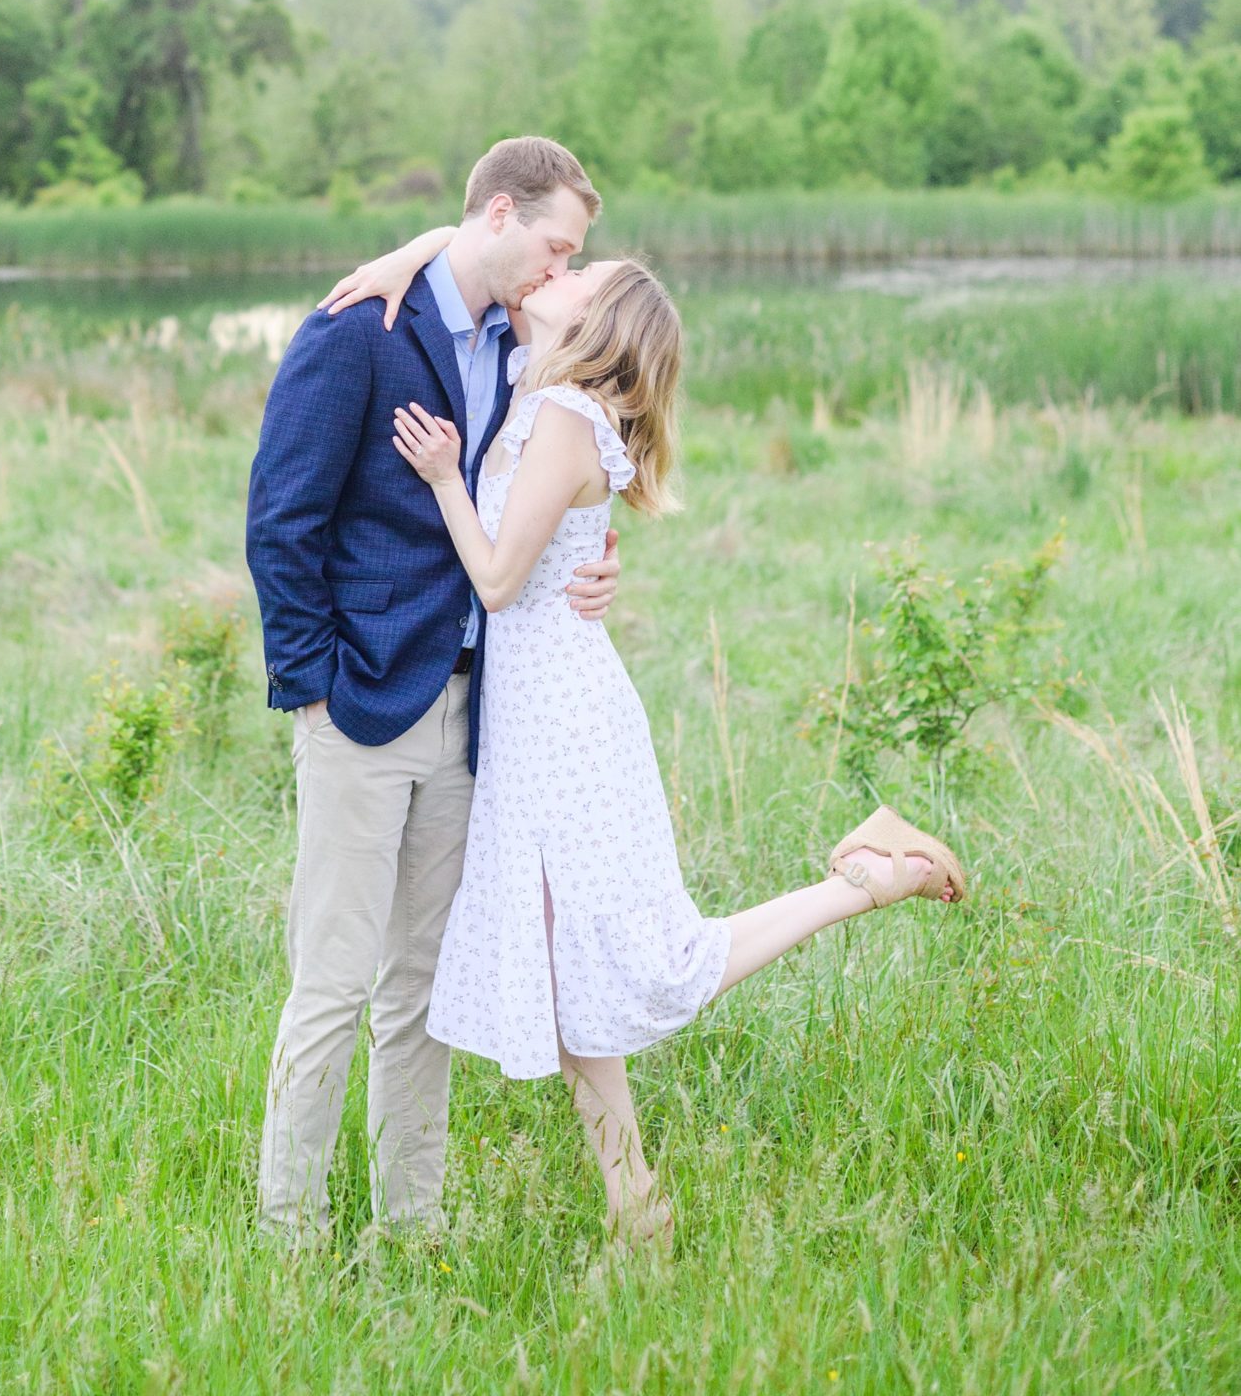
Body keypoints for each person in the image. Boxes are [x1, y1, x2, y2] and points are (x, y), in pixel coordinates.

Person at [345, 236, 967, 1245]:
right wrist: (401, 261)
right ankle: (634, 1201)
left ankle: (872, 877)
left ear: (599, 323)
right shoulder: (537, 385)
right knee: (567, 974)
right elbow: (482, 227)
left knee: (650, 962)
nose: (558, 273)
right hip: (535, 714)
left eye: (578, 276)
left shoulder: (561, 415)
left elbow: (499, 581)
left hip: (562, 722)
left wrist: (442, 478)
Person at [245, 136, 622, 1237]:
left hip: (474, 718)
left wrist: (594, 559)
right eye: (554, 247)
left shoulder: (523, 341)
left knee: (421, 988)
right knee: (331, 979)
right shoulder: (357, 328)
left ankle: (408, 1225)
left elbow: (558, 480)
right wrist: (309, 683)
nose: (561, 271)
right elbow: (281, 519)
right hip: (357, 706)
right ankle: (290, 1230)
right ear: (500, 213)